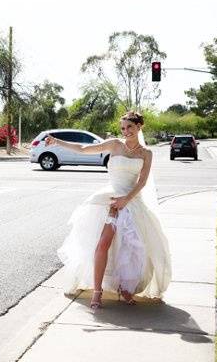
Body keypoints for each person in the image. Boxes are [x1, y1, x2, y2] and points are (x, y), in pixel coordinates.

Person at [45, 111, 171, 309]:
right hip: (109, 199)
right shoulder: (114, 144)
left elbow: (143, 181)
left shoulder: (147, 153)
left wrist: (126, 200)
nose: (126, 131)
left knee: (131, 247)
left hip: (132, 201)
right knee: (102, 244)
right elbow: (83, 148)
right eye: (123, 127)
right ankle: (97, 291)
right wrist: (58, 142)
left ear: (139, 126)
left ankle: (126, 288)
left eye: (130, 126)